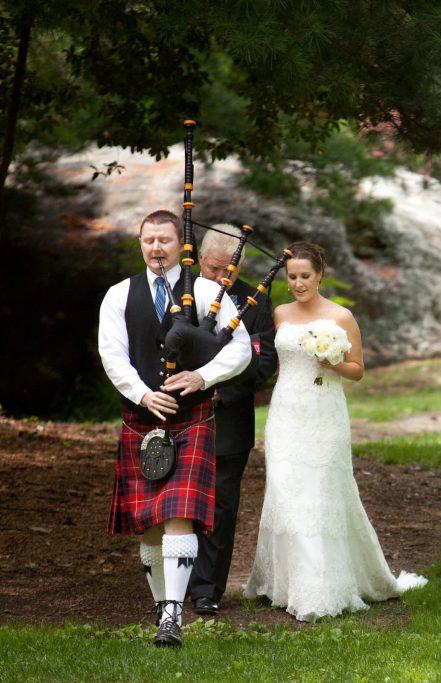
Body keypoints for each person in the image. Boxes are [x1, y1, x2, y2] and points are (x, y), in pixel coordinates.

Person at [243, 241, 426, 621]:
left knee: (320, 493)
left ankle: (323, 586)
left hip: (324, 413)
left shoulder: (341, 317)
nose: (297, 284)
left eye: (305, 276)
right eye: (292, 277)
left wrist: (333, 361)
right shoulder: (278, 313)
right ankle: (286, 583)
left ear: (320, 274)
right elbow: (274, 362)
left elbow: (358, 369)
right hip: (286, 411)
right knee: (286, 491)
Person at [98, 210, 251, 648]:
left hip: (192, 418)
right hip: (141, 419)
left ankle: (172, 618)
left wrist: (203, 377)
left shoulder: (204, 290)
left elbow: (239, 350)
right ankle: (163, 604)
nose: (156, 248)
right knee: (149, 523)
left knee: (177, 517)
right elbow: (112, 356)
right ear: (141, 243)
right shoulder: (118, 295)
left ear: (178, 244)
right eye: (149, 241)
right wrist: (143, 394)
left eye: (164, 239)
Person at [187, 225, 277, 616]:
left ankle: (207, 589)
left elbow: (264, 361)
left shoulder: (254, 302)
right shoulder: (181, 294)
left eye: (231, 273)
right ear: (200, 258)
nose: (222, 279)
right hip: (179, 417)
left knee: (221, 506)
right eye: (214, 269)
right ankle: (176, 581)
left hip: (229, 420)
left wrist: (221, 392)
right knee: (179, 504)